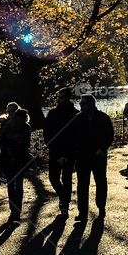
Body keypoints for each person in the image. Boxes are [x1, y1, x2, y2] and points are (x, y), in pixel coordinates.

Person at [73, 93, 115, 222]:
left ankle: (101, 207)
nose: (81, 106)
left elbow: (109, 135)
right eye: (80, 103)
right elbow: (73, 138)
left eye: (83, 103)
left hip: (98, 156)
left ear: (91, 104)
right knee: (82, 185)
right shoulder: (78, 119)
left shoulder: (103, 118)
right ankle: (82, 212)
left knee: (101, 182)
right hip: (82, 157)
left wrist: (102, 148)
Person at [44, 87, 78, 215]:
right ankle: (64, 198)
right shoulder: (52, 113)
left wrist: (68, 154)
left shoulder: (75, 114)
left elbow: (76, 136)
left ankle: (65, 204)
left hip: (70, 153)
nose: (59, 99)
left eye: (62, 97)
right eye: (58, 97)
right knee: (53, 178)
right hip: (55, 152)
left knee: (67, 178)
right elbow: (47, 134)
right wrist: (57, 153)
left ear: (68, 98)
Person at [0, 106, 32, 223]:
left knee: (14, 185)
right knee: (16, 185)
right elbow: (2, 141)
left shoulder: (10, 126)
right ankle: (15, 211)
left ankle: (15, 211)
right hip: (14, 159)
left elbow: (2, 141)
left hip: (16, 159)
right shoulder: (10, 125)